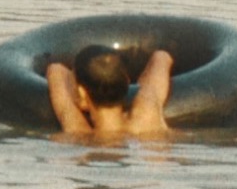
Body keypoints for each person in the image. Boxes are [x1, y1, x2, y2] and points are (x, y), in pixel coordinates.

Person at [47, 44, 176, 140]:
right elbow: (162, 57)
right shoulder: (147, 115)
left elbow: (56, 70)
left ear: (82, 93)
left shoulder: (77, 130)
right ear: (127, 82)